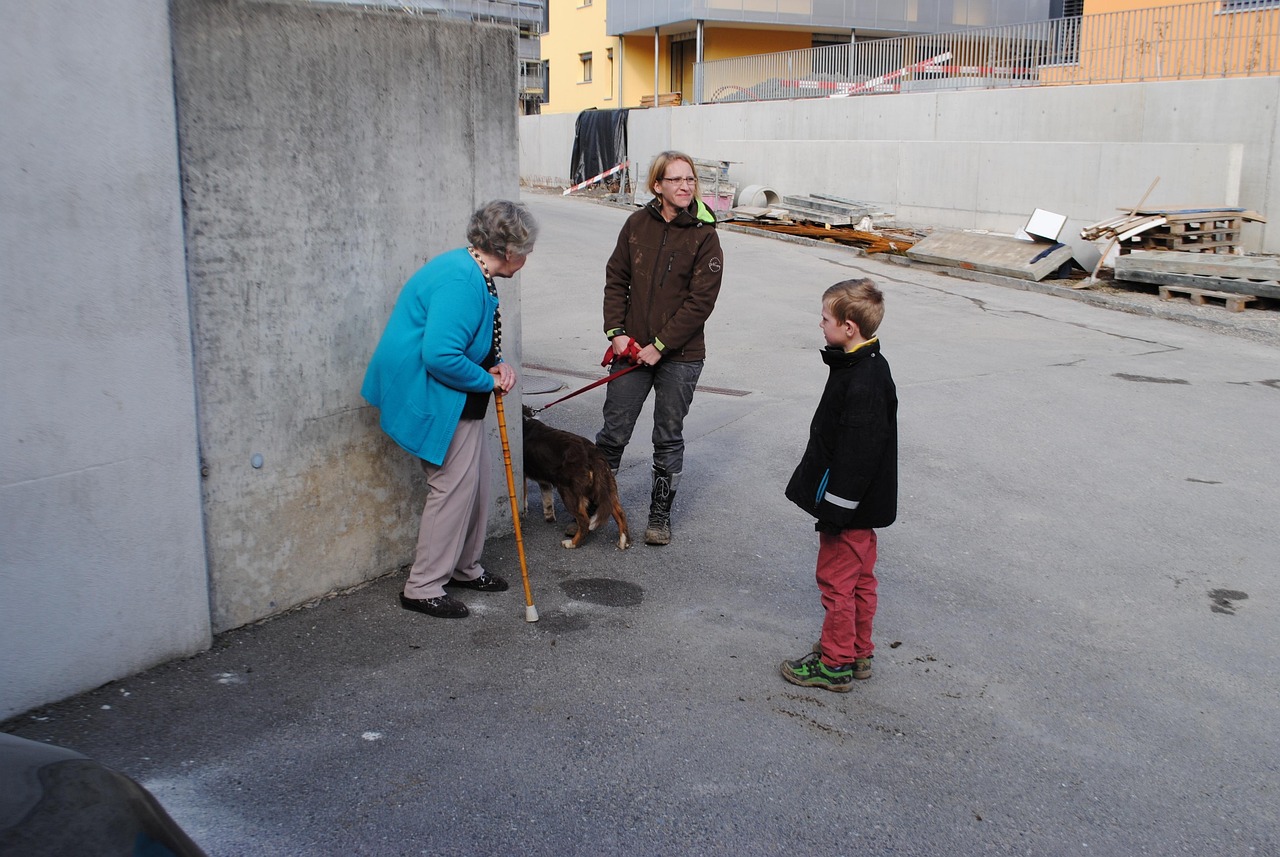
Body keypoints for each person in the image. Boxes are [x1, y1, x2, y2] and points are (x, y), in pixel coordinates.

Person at [362, 200, 538, 619]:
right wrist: (489, 380)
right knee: (452, 488)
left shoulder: (473, 270)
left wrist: (492, 363)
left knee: (476, 483)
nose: (528, 258)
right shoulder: (461, 279)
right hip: (433, 394)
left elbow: (467, 341)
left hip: (455, 394)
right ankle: (422, 587)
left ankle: (464, 567)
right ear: (510, 250)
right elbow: (440, 355)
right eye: (527, 250)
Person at [595, 151, 725, 546]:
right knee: (612, 435)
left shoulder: (705, 234)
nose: (686, 186)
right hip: (631, 349)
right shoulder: (636, 224)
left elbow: (701, 302)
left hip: (680, 357)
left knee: (667, 437)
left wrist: (661, 346)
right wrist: (617, 333)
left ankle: (659, 516)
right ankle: (596, 508)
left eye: (690, 180)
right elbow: (616, 279)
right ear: (657, 186)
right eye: (676, 180)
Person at [781, 278, 898, 690]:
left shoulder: (862, 380)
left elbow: (857, 456)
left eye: (826, 318)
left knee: (837, 585)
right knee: (862, 582)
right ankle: (858, 651)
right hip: (863, 511)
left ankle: (834, 664)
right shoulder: (862, 364)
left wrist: (834, 512)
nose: (820, 324)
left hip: (848, 510)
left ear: (849, 327)